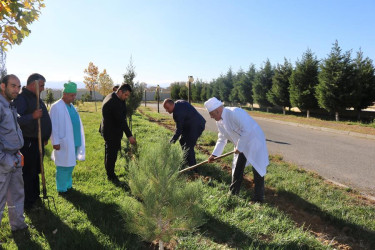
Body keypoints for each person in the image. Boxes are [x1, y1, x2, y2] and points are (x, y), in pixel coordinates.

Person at [204, 97, 269, 202]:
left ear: (217, 110)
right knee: (237, 168)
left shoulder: (234, 113)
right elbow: (221, 139)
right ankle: (233, 194)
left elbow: (247, 130)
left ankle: (259, 198)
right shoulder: (219, 121)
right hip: (241, 144)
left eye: (211, 114)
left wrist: (240, 147)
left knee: (257, 169)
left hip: (254, 142)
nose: (211, 117)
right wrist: (214, 155)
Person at [14, 73, 52, 210]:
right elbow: (16, 120)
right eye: (41, 85)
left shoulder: (35, 97)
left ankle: (35, 197)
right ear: (33, 84)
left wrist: (44, 137)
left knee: (36, 170)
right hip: (28, 142)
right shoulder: (21, 98)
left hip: (38, 142)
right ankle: (28, 203)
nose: (43, 88)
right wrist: (32, 116)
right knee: (28, 173)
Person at [0, 74, 28, 231]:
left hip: (15, 157)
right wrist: (6, 159)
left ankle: (18, 225)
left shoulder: (10, 105)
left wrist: (17, 152)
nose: (17, 90)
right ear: (3, 86)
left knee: (17, 195)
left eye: (18, 86)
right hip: (3, 161)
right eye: (13, 86)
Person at [49, 82, 85, 194]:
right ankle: (61, 188)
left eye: (74, 95)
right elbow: (53, 126)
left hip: (74, 140)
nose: (73, 97)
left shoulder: (71, 106)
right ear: (64, 94)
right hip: (63, 142)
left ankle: (68, 185)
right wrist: (55, 141)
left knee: (70, 164)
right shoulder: (56, 106)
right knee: (62, 165)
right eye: (71, 95)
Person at [101, 83, 136, 183]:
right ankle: (111, 176)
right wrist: (130, 136)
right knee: (111, 154)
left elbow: (122, 113)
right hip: (111, 132)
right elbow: (121, 121)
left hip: (112, 129)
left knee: (110, 152)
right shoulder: (113, 102)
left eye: (128, 96)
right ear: (120, 91)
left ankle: (109, 171)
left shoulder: (115, 97)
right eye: (126, 95)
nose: (126, 98)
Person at [163, 98, 206, 167]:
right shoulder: (178, 102)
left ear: (171, 105)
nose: (167, 110)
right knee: (182, 140)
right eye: (165, 109)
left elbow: (179, 129)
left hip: (197, 126)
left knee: (189, 146)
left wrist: (172, 141)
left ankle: (193, 169)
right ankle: (186, 160)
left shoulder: (177, 113)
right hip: (190, 125)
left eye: (167, 108)